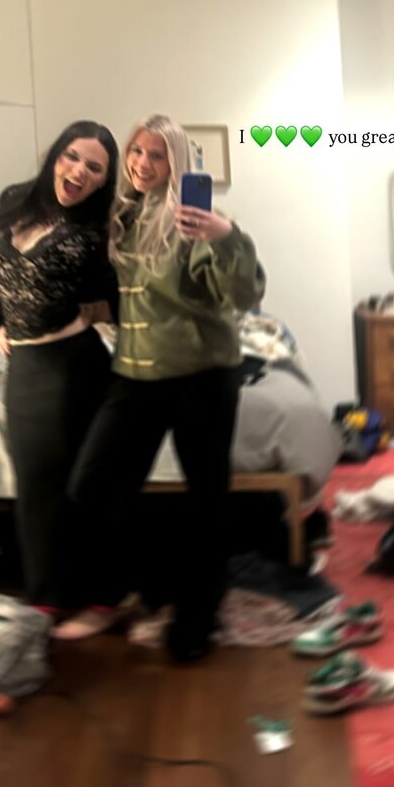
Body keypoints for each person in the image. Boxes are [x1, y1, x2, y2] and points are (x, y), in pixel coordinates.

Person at [53, 114, 266, 659]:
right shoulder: (122, 216)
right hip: (135, 371)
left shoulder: (195, 219)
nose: (143, 164)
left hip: (202, 374)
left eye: (157, 155)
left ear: (176, 163)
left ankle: (198, 614)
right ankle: (151, 585)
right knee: (93, 485)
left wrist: (226, 238)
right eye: (136, 152)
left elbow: (240, 298)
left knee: (206, 496)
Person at [0, 120, 119, 613]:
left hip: (73, 366)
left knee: (73, 485)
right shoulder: (13, 199)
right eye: (72, 157)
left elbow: (117, 299)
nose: (79, 171)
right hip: (25, 366)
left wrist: (98, 317)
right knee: (34, 485)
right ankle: (47, 599)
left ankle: (94, 594)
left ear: (103, 181)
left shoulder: (95, 231)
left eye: (94, 168)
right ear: (55, 155)